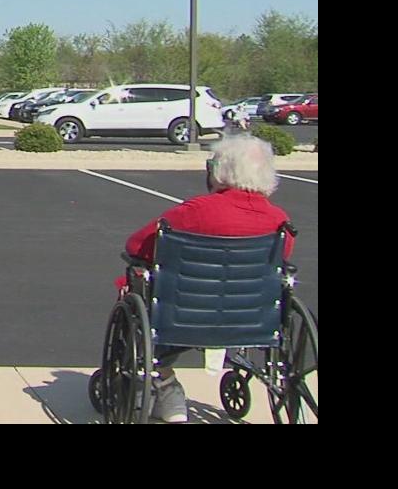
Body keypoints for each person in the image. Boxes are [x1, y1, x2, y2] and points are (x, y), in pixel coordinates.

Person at [123, 135, 296, 423]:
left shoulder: (195, 211)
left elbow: (136, 246)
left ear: (219, 171)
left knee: (139, 284)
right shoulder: (279, 222)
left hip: (184, 313)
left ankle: (164, 381)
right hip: (252, 318)